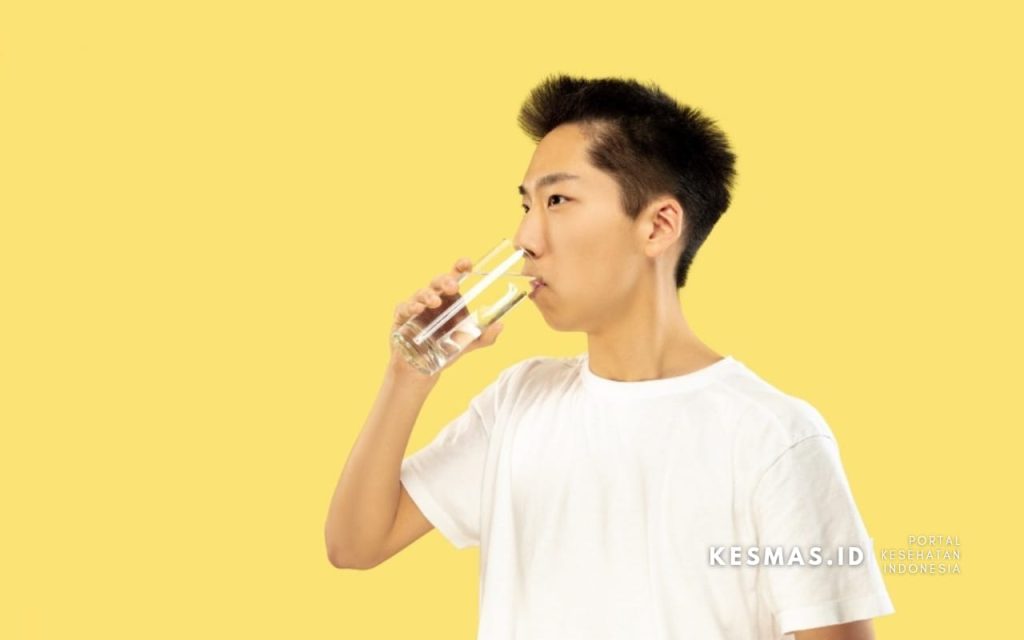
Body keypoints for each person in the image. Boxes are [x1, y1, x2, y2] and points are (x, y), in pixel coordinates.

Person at [325, 74, 895, 640]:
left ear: (658, 226)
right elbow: (355, 544)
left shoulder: (773, 436)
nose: (525, 237)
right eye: (526, 204)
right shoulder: (518, 403)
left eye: (558, 200)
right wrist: (409, 373)